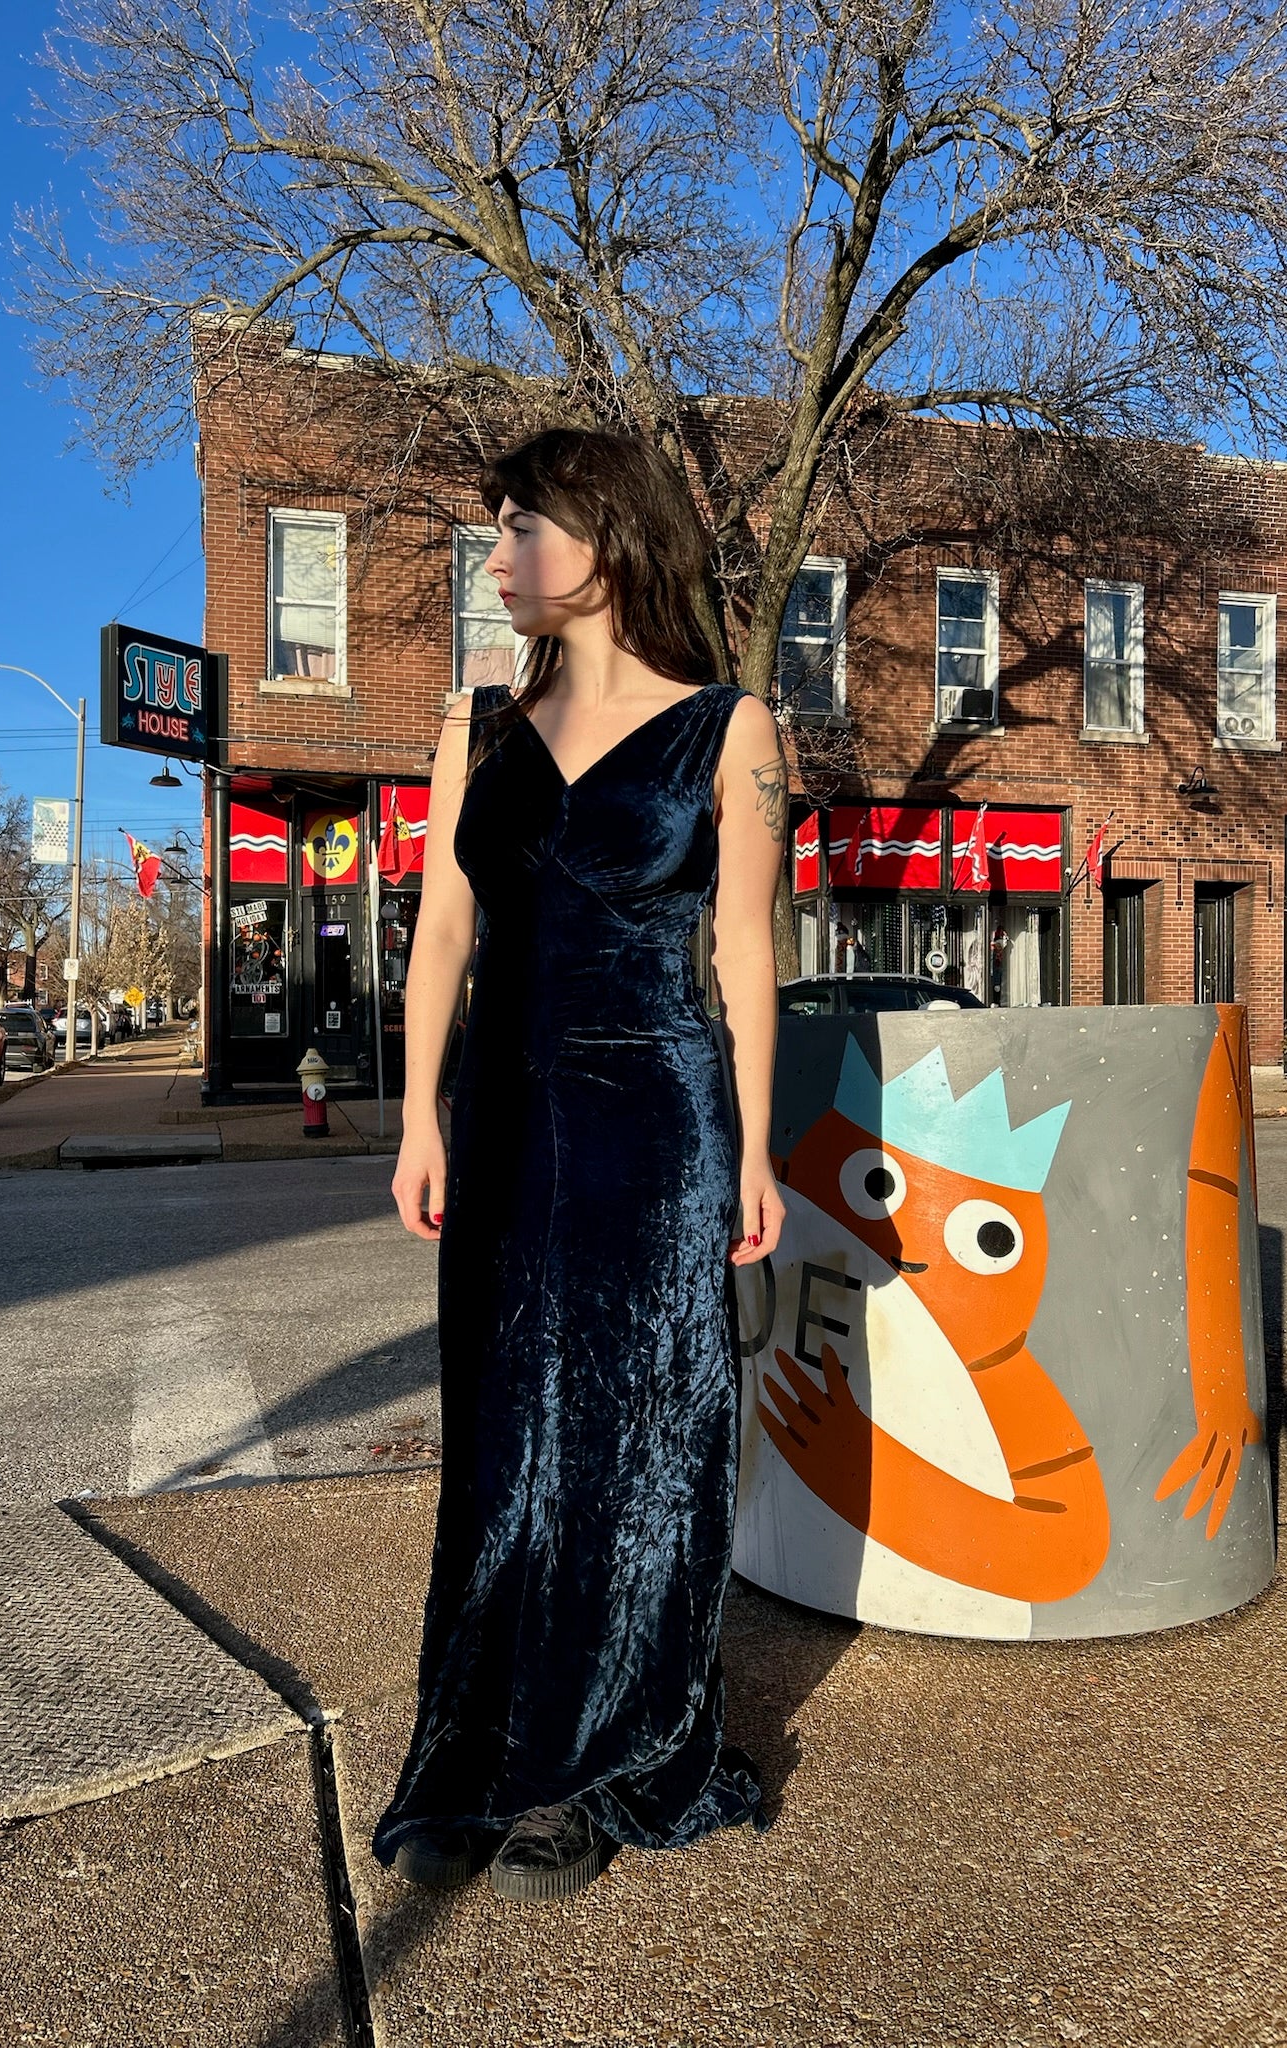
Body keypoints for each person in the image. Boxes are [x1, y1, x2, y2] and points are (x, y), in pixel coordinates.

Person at [379, 427, 786, 1903]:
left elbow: (747, 952)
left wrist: (753, 1149)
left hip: (659, 1116)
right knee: (499, 1438)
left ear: (607, 541)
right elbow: (441, 934)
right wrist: (419, 1114)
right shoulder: (472, 726)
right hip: (500, 1109)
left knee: (637, 1435)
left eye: (520, 529)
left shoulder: (730, 729)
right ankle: (472, 1753)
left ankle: (599, 1765)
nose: (496, 560)